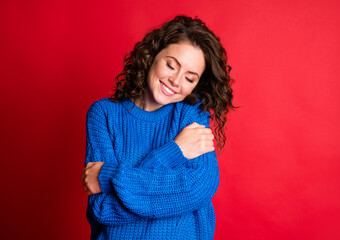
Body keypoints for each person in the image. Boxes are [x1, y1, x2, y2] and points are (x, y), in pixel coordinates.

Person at [81, 15, 235, 240]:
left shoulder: (191, 114)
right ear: (152, 55)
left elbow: (197, 189)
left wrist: (109, 175)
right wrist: (174, 153)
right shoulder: (104, 114)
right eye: (171, 65)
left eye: (189, 78)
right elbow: (103, 209)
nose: (176, 80)